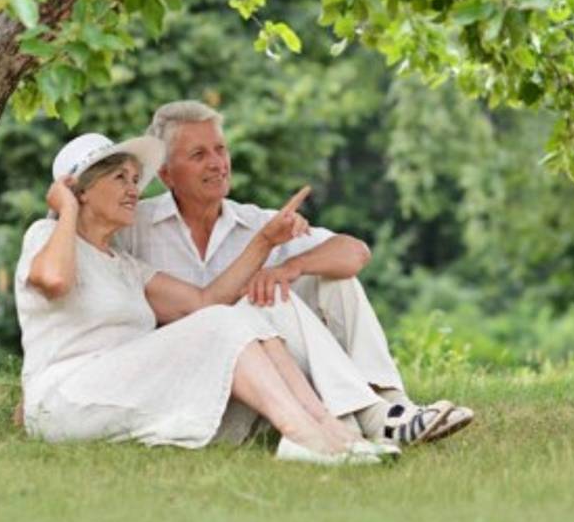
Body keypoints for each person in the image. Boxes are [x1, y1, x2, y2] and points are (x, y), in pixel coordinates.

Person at [16, 132, 408, 465]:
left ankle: (329, 427)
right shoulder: (44, 237)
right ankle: (301, 434)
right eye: (120, 178)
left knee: (240, 314)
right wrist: (66, 210)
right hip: (65, 399)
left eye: (136, 179)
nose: (134, 189)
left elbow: (205, 302)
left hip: (121, 386)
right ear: (80, 190)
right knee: (223, 321)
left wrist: (265, 241)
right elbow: (53, 280)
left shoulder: (127, 267)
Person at [119, 100, 474, 445]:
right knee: (263, 299)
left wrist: (290, 267)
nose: (217, 164)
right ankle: (372, 417)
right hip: (193, 386)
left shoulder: (256, 222)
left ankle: (392, 405)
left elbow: (355, 253)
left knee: (333, 282)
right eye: (199, 155)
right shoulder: (134, 228)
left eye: (221, 150)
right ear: (166, 174)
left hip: (273, 381)